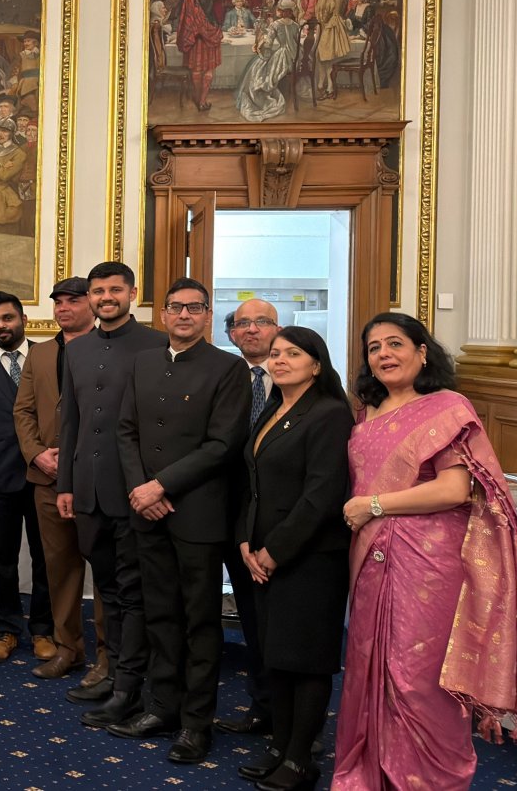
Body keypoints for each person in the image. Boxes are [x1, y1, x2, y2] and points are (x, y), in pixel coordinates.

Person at [334, 314, 517, 789]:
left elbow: (455, 489)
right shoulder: (366, 413)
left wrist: (373, 505)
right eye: (374, 347)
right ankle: (371, 773)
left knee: (418, 678)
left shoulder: (446, 407)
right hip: (371, 559)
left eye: (396, 343)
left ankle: (431, 781)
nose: (384, 354)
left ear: (423, 352)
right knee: (368, 669)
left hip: (428, 564)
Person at [113, 278, 250, 765]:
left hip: (197, 513)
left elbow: (223, 444)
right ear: (163, 314)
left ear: (209, 315)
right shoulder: (144, 362)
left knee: (199, 622)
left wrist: (161, 486)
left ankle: (196, 724)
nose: (185, 315)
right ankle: (162, 708)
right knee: (160, 616)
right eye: (176, 307)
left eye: (195, 308)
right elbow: (125, 432)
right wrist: (140, 490)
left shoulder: (228, 368)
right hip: (147, 513)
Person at [236, 327, 353, 790]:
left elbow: (320, 495)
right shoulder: (272, 408)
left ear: (317, 364)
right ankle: (280, 749)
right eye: (277, 353)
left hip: (309, 557)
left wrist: (274, 550)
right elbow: (254, 483)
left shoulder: (329, 415)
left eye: (294, 354)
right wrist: (247, 543)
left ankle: (301, 760)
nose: (280, 359)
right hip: (263, 555)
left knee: (306, 660)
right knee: (276, 657)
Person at [59, 262, 167, 730]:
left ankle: (130, 686)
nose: (106, 297)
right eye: (98, 290)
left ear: (132, 293)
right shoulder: (77, 350)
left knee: (133, 592)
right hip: (87, 490)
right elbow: (71, 424)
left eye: (114, 290)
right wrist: (65, 483)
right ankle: (115, 674)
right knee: (106, 589)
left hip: (134, 492)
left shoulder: (157, 345)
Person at [14, 278, 108, 684]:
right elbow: (24, 411)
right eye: (58, 302)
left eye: (73, 300)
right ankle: (68, 648)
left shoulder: (113, 349)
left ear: (92, 303)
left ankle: (109, 656)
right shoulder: (40, 353)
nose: (63, 308)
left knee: (106, 571)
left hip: (99, 480)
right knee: (59, 568)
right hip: (48, 478)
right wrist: (36, 453)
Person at [0, 291, 53, 662]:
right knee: (1, 558)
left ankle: (44, 631)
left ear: (23, 320)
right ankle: (4, 629)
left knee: (46, 557)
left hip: (45, 475)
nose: (2, 326)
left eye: (8, 318)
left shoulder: (48, 357)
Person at [215, 299, 281, 734]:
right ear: (231, 333)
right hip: (223, 512)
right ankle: (260, 706)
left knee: (275, 620)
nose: (252, 329)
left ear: (278, 329)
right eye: (243, 324)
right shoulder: (221, 376)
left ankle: (286, 715)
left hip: (279, 519)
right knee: (246, 617)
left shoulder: (304, 377)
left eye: (262, 322)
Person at [235, 0, 302, 123]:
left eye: (278, 9)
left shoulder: (275, 25)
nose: (277, 11)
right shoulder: (296, 25)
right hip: (296, 56)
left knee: (257, 67)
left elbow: (269, 45)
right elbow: (297, 42)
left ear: (282, 12)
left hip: (283, 56)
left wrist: (259, 46)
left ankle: (259, 93)